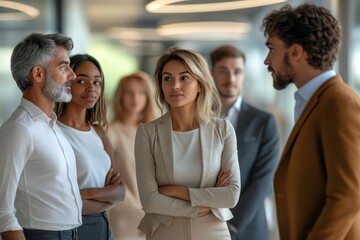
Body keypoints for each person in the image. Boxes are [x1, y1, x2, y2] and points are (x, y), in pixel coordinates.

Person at [262, 3, 360, 240]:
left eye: (272, 49)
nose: (267, 61)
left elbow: (349, 195)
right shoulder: (313, 99)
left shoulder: (339, 102)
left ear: (295, 53)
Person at [134, 46, 241, 240]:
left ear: (200, 84)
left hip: (213, 231)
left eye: (184, 78)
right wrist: (205, 202)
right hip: (165, 231)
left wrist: (175, 191)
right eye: (168, 78)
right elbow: (150, 201)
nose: (175, 85)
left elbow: (230, 195)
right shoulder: (147, 133)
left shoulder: (223, 130)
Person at [0, 33, 82, 240]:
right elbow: (2, 212)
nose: (72, 75)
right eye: (63, 66)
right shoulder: (18, 130)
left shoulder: (53, 126)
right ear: (38, 74)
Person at [210, 45, 280, 240]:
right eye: (223, 71)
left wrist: (231, 224)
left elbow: (263, 181)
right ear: (211, 73)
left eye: (237, 72)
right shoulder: (198, 120)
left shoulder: (264, 122)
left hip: (247, 228)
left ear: (244, 75)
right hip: (202, 224)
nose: (230, 78)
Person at [54, 54, 126, 240]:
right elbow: (60, 202)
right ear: (67, 83)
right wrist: (106, 199)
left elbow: (120, 191)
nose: (91, 88)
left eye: (97, 82)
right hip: (70, 228)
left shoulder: (99, 132)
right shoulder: (54, 132)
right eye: (81, 81)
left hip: (102, 225)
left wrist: (87, 194)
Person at [106, 71, 159, 240]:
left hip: (157, 218)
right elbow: (110, 179)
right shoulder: (110, 132)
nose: (135, 98)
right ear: (120, 96)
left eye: (141, 92)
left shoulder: (155, 132)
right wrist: (141, 214)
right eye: (129, 92)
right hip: (125, 218)